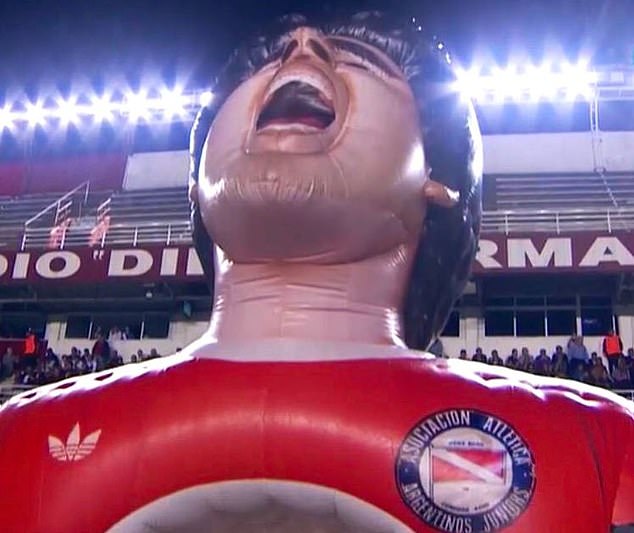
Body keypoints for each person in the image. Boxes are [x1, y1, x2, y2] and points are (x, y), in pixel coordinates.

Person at [1, 12, 634, 533]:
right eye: (265, 63)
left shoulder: (599, 446)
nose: (303, 47)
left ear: (436, 178)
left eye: (361, 61)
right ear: (197, 185)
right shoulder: (18, 444)